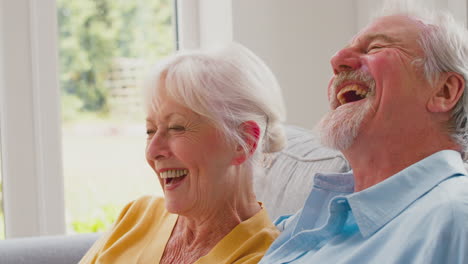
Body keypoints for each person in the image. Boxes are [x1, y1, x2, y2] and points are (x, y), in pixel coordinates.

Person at [260, 1, 468, 264]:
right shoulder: (312, 216)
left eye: (376, 47)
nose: (336, 61)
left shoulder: (454, 219)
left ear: (444, 91)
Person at [79, 43, 287, 264]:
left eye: (176, 128)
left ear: (244, 142)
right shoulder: (137, 216)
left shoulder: (262, 257)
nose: (153, 151)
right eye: (150, 131)